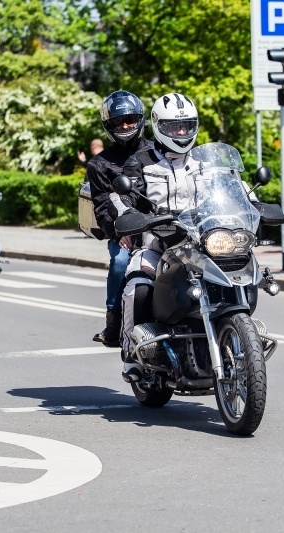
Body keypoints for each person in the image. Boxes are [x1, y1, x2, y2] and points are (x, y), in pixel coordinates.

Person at [111, 92, 201, 381]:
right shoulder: (140, 161)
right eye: (174, 127)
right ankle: (131, 355)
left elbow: (232, 189)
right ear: (158, 127)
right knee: (136, 285)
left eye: (186, 126)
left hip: (200, 245)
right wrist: (129, 216)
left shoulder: (205, 162)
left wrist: (250, 207)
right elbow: (121, 196)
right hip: (157, 246)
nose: (181, 132)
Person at [87, 91, 153, 347]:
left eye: (130, 119)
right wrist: (119, 231)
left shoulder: (157, 152)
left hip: (163, 226)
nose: (125, 125)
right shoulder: (99, 165)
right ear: (109, 125)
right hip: (125, 231)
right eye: (119, 121)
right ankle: (113, 323)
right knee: (119, 261)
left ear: (140, 120)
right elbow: (102, 206)